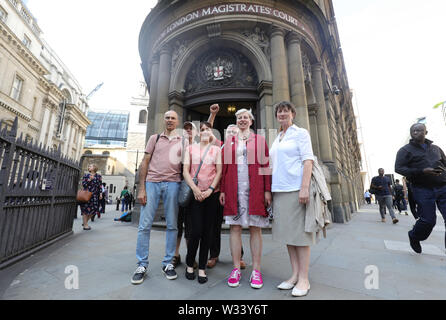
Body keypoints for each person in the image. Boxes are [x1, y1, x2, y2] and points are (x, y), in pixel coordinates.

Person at [131, 110, 186, 285]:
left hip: (173, 184)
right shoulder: (154, 138)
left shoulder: (183, 141)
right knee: (144, 225)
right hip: (152, 183)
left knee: (172, 225)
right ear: (164, 120)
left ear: (177, 122)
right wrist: (141, 189)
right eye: (167, 117)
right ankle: (141, 264)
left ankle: (168, 263)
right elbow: (145, 162)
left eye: (173, 118)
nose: (170, 120)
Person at [220, 108, 272, 289]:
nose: (242, 120)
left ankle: (256, 270)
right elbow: (225, 168)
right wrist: (222, 190)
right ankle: (236, 268)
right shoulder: (229, 142)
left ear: (251, 121)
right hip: (234, 190)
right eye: (239, 117)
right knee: (234, 228)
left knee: (255, 229)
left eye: (245, 117)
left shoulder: (260, 140)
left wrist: (267, 190)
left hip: (255, 190)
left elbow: (266, 166)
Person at [269, 101, 317, 297]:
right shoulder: (277, 137)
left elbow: (308, 160)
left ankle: (304, 278)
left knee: (300, 235)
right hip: (279, 190)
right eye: (279, 111)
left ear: (293, 114)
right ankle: (295, 275)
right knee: (288, 235)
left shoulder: (300, 133)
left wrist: (304, 187)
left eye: (286, 111)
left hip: (296, 188)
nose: (282, 114)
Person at [173, 104, 219, 269]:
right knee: (180, 225)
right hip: (183, 190)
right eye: (185, 129)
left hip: (203, 192)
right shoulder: (179, 144)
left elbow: (208, 129)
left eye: (191, 129)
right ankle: (177, 255)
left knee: (199, 228)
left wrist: (212, 114)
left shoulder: (208, 147)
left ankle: (195, 260)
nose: (188, 132)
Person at [395, 123, 446, 254]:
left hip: (442, 187)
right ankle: (414, 236)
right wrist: (422, 171)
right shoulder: (405, 150)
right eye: (413, 130)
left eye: (419, 130)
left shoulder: (436, 149)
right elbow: (399, 168)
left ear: (426, 132)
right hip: (422, 189)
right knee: (428, 221)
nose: (416, 132)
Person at [183, 121, 222, 284]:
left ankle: (202, 268)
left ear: (211, 132)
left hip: (211, 195)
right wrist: (195, 189)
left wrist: (210, 190)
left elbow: (219, 171)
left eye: (208, 129)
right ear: (199, 133)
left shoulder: (216, 149)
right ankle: (190, 263)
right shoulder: (190, 149)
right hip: (196, 194)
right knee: (196, 230)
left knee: (208, 232)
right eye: (203, 130)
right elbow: (185, 170)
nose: (205, 132)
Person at [207, 124, 247, 269]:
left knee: (236, 225)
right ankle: (213, 255)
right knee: (214, 224)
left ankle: (239, 256)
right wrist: (212, 114)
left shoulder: (242, 149)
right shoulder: (220, 146)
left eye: (234, 132)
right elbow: (207, 131)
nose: (231, 133)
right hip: (217, 190)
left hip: (233, 191)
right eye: (229, 131)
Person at [80, 164, 103, 231]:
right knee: (85, 210)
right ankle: (85, 225)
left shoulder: (98, 176)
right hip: (87, 195)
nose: (89, 167)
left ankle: (85, 222)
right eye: (88, 166)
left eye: (90, 166)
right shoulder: (86, 175)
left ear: (94, 168)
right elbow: (84, 185)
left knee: (94, 210)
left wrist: (101, 193)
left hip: (95, 195)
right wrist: (89, 179)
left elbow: (100, 186)